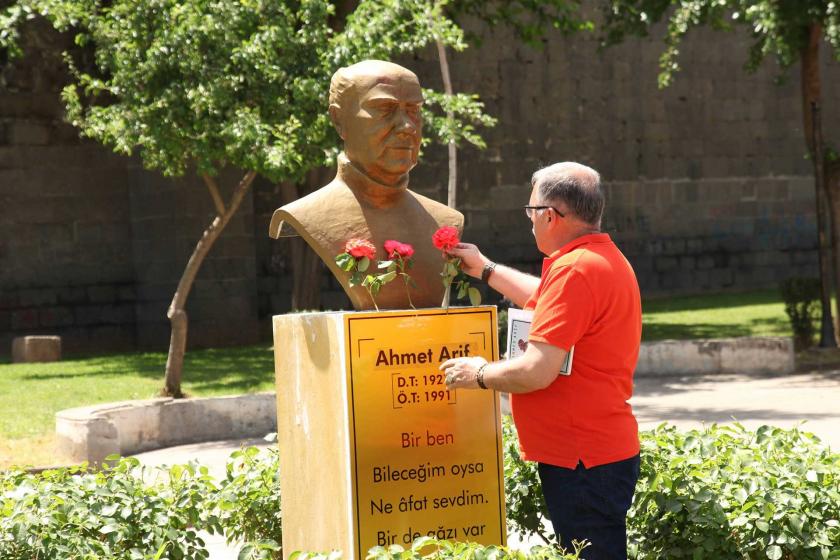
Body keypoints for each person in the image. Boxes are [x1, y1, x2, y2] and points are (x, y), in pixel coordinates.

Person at [440, 162, 642, 560]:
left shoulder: (574, 270)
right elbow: (551, 301)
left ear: (550, 216)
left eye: (530, 211)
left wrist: (478, 373)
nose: (529, 221)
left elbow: (537, 371)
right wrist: (486, 269)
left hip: (582, 461)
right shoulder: (596, 259)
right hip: (595, 453)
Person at [268, 60, 462, 310]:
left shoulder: (445, 221)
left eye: (413, 110)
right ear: (339, 120)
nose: (407, 126)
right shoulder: (307, 214)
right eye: (384, 109)